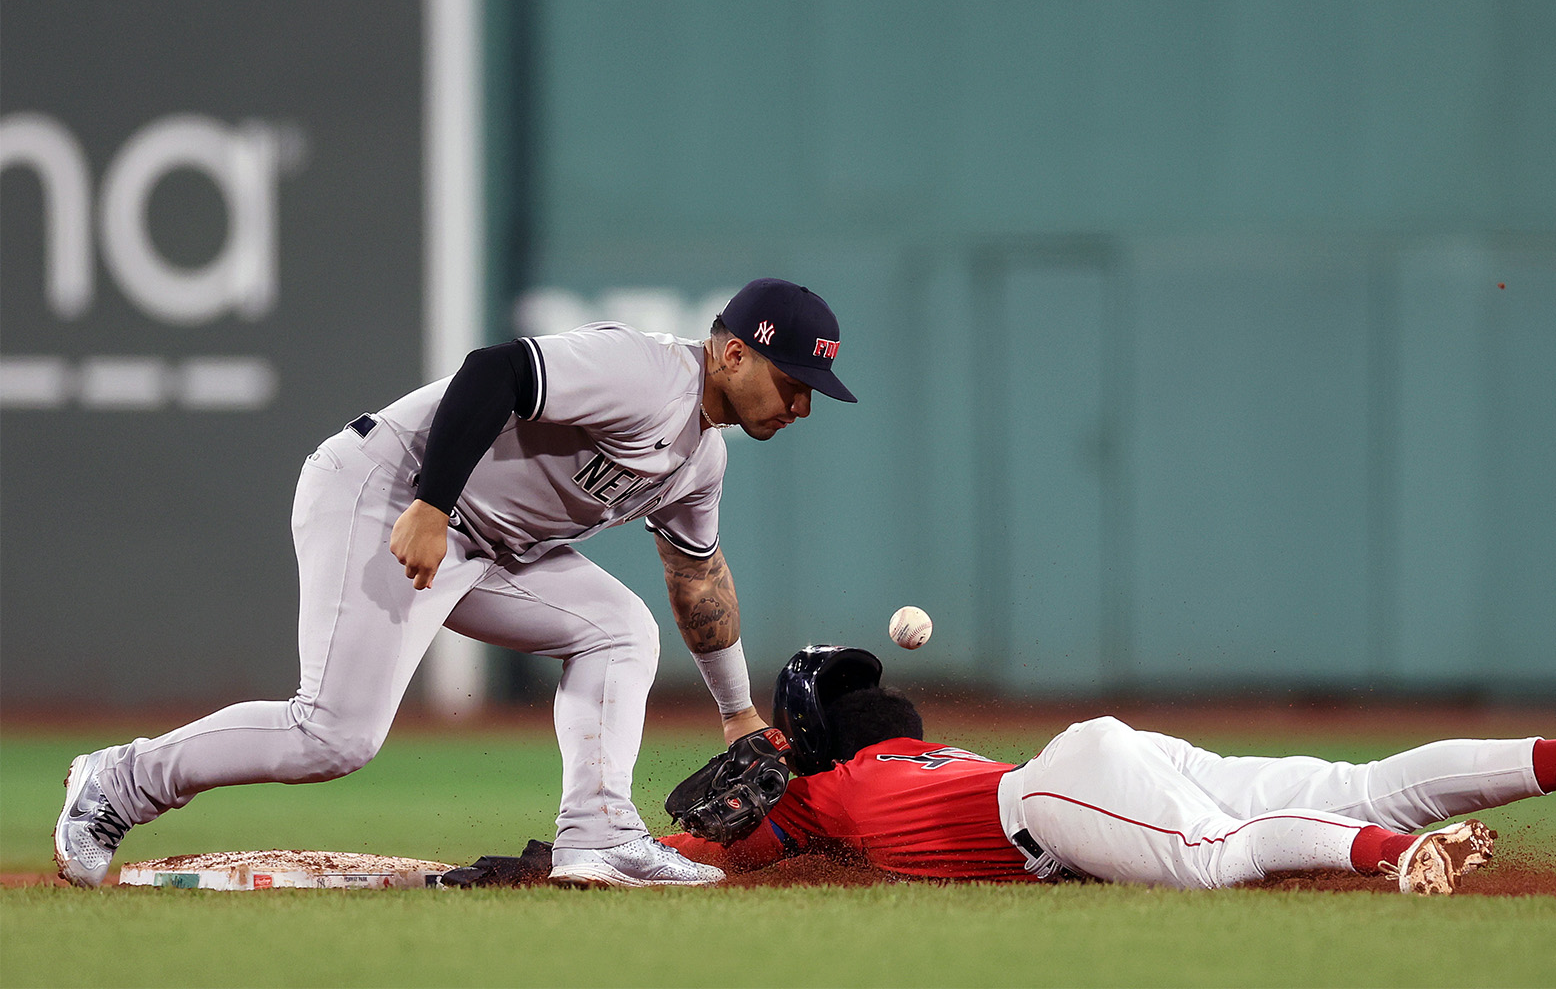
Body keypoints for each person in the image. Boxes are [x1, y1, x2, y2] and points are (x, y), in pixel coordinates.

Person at [54, 279, 857, 890]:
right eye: (793, 381)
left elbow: (696, 577)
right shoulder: (647, 373)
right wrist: (432, 504)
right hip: (390, 491)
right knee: (334, 735)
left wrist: (737, 713)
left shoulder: (702, 458)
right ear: (732, 352)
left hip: (488, 543)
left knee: (621, 628)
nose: (801, 405)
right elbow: (494, 371)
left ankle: (599, 832)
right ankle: (118, 782)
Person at [663, 647, 1553, 894]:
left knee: (1217, 855)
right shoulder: (928, 759)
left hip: (1053, 799)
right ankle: (1542, 758)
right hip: (1098, 759)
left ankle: (1396, 855)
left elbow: (707, 856)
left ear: (814, 744)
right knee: (1348, 780)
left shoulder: (823, 792)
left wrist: (556, 859)